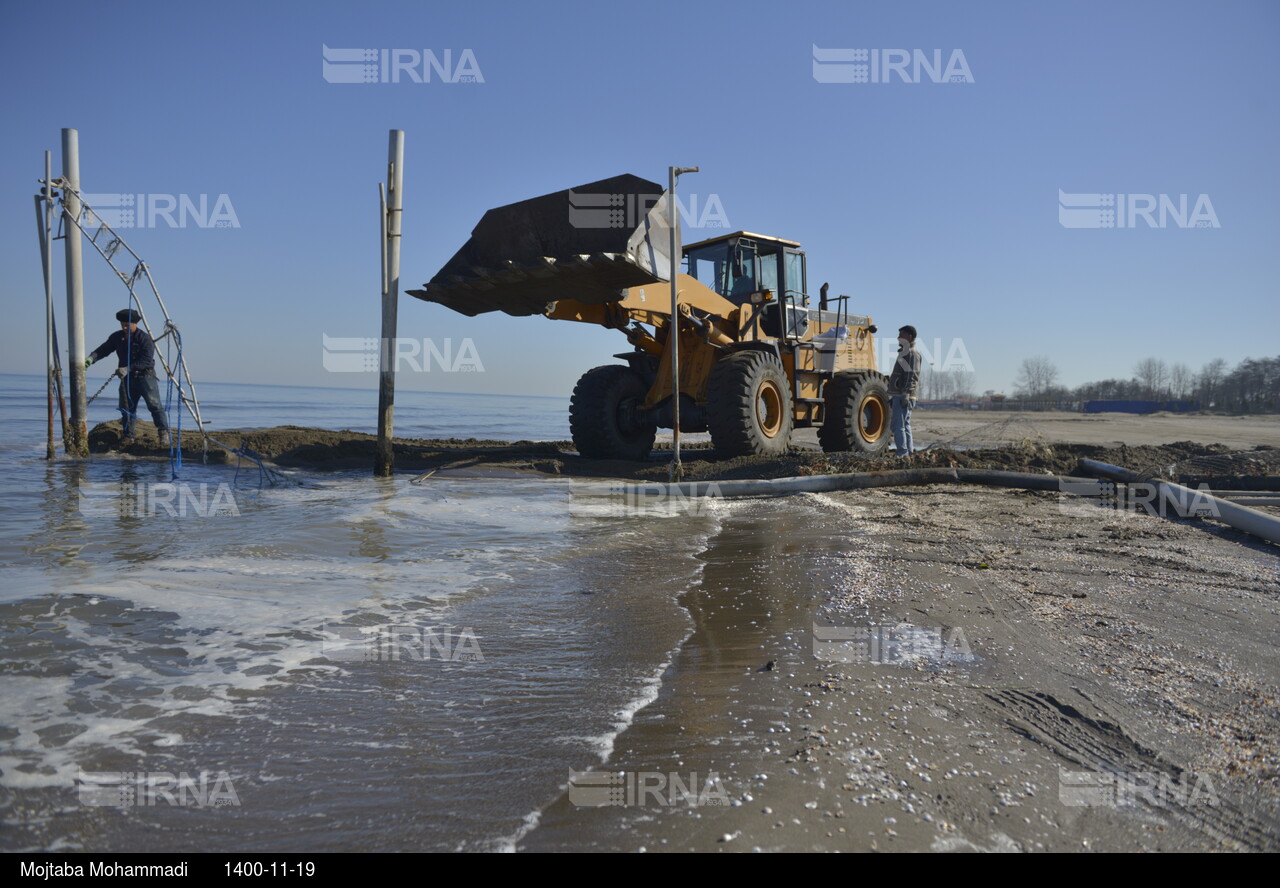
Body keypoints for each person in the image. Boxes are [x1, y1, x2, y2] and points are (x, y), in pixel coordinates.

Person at [85, 309, 170, 448]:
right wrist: (91, 358)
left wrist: (127, 368)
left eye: (128, 325)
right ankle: (128, 436)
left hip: (145, 377)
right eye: (122, 325)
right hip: (127, 379)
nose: (125, 327)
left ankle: (163, 432)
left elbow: (146, 361)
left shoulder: (145, 339)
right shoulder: (116, 337)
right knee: (126, 407)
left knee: (154, 405)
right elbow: (104, 349)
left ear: (135, 323)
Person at [887, 324, 921, 457]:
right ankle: (909, 453)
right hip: (902, 394)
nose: (898, 338)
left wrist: (905, 393)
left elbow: (910, 375)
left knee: (898, 426)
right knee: (905, 425)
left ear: (909, 336)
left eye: (901, 335)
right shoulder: (907, 352)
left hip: (904, 395)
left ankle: (902, 453)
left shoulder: (911, 353)